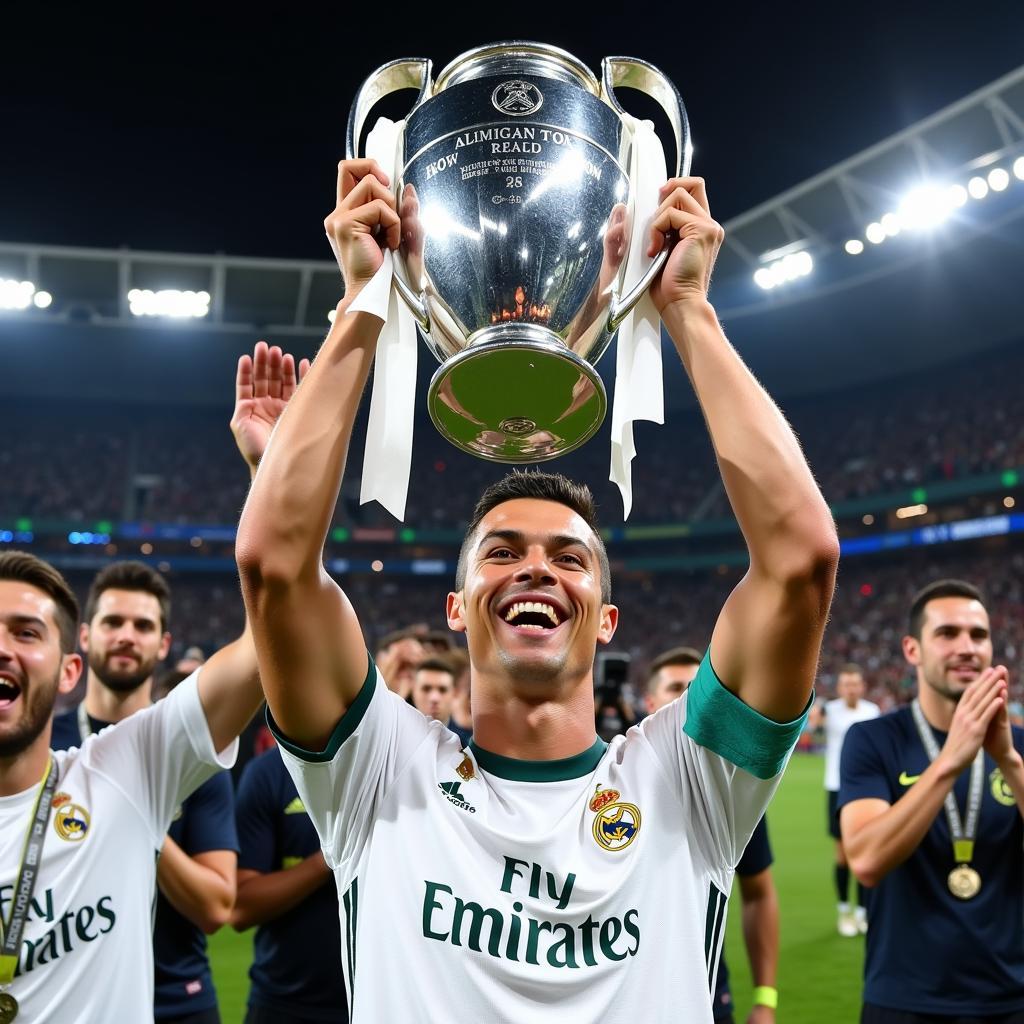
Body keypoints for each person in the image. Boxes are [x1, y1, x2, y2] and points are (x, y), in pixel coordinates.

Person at [236, 159, 838, 1020]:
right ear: (456, 607)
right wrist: (367, 303)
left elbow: (801, 562)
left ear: (605, 618)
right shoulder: (378, 771)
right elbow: (274, 566)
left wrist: (687, 310)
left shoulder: (688, 780)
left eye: (569, 557)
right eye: (502, 552)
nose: (536, 569)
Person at [0, 550, 260, 1023]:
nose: (125, 637)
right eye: (113, 621)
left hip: (179, 993)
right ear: (86, 637)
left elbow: (218, 905)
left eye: (26, 632)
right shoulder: (52, 741)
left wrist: (134, 815)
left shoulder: (154, 760)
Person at [839, 580, 1024, 1023]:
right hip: (905, 999)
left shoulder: (1017, 747)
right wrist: (949, 762)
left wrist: (1010, 763)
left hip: (1010, 997)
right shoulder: (873, 739)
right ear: (912, 650)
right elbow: (865, 859)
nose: (967, 647)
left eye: (978, 635)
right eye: (947, 634)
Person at [647, 647, 779, 1024]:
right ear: (650, 700)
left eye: (698, 690)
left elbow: (759, 893)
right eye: (677, 688)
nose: (689, 700)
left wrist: (765, 999)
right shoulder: (610, 781)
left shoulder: (730, 795)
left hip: (702, 995)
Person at [232, 743, 348, 1024]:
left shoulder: (390, 767)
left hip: (379, 1000)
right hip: (284, 1003)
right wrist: (328, 857)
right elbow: (240, 909)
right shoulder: (266, 773)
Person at [807, 663, 879, 936]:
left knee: (865, 852)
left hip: (865, 788)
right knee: (843, 855)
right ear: (840, 687)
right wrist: (815, 717)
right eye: (846, 684)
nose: (851, 688)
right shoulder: (830, 710)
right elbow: (812, 732)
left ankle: (862, 912)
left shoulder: (872, 711)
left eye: (855, 683)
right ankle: (844, 910)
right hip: (837, 787)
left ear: (862, 686)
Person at [411, 657, 457, 727]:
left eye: (442, 690)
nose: (434, 698)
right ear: (413, 691)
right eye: (426, 689)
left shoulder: (472, 736)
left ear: (454, 693)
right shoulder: (396, 731)